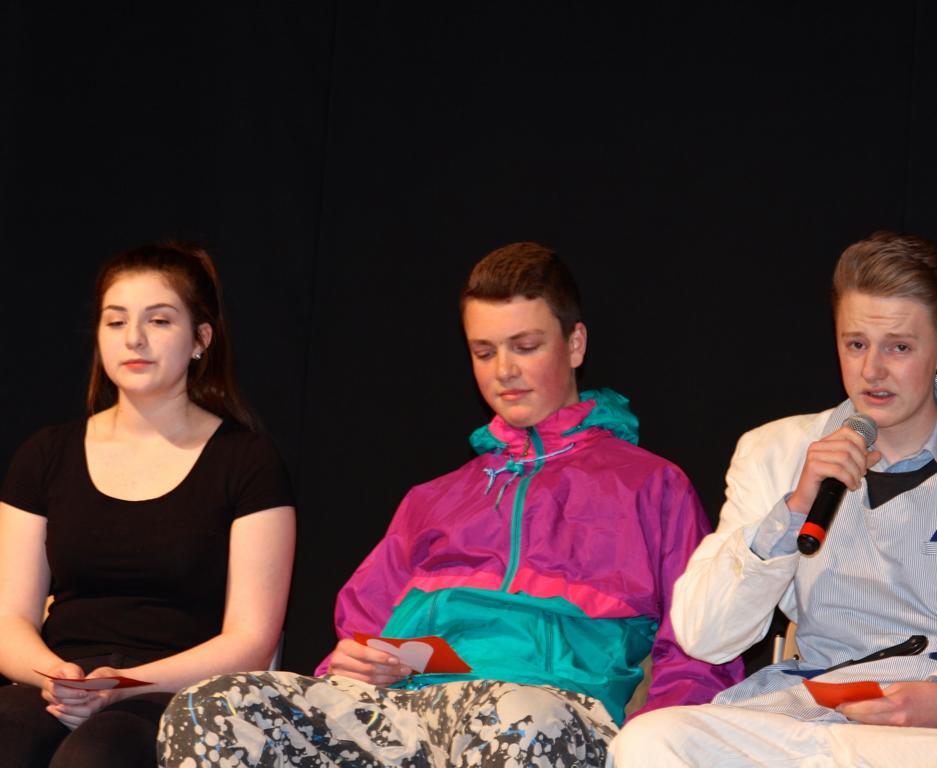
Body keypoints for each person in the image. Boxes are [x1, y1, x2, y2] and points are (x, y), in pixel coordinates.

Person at [157, 241, 742, 767]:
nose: (504, 371)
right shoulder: (434, 499)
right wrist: (353, 662)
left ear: (575, 344)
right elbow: (360, 636)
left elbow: (702, 647)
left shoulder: (651, 486)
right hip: (406, 713)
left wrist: (653, 747)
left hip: (544, 712)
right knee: (211, 707)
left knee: (516, 718)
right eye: (484, 352)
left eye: (526, 346)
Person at [608, 231, 937, 767]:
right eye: (856, 345)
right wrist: (793, 509)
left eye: (899, 347)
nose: (872, 371)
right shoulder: (775, 451)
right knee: (651, 741)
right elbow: (705, 635)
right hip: (813, 715)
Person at [0, 241, 297, 768]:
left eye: (159, 321)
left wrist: (124, 686)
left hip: (177, 692)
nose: (133, 338)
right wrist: (55, 676)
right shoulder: (45, 454)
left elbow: (251, 640)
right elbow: (10, 618)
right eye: (116, 322)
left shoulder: (247, 461)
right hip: (62, 684)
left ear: (201, 339)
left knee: (95, 757)